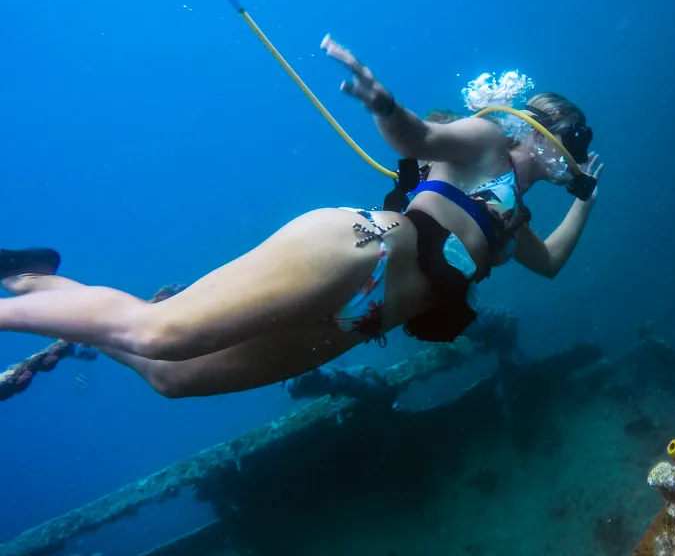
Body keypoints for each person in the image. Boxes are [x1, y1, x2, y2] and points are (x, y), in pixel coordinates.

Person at [0, 37, 603, 399]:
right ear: (546, 137)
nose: (566, 163)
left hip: (354, 322)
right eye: (569, 151)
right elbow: (416, 134)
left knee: (171, 377)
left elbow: (548, 263)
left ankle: (34, 283)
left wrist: (584, 202)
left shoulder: (514, 221)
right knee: (160, 333)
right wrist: (383, 103)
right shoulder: (487, 140)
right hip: (356, 249)